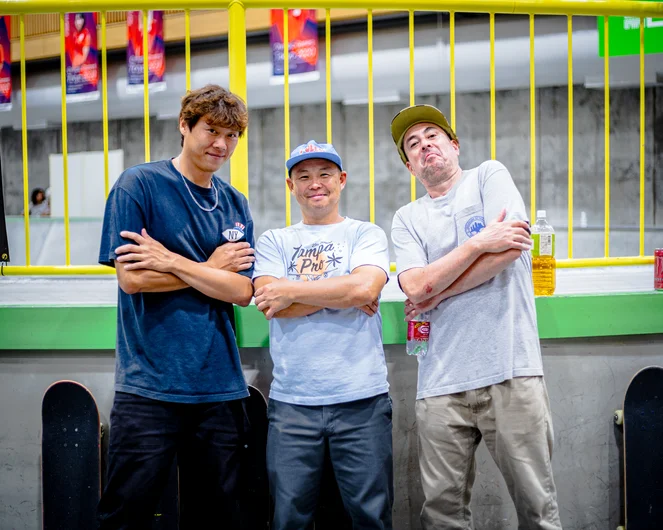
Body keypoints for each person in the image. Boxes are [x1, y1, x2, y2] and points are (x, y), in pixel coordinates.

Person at [389, 104, 562, 530]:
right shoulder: (407, 219)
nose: (424, 144)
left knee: (537, 509)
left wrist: (438, 289)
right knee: (443, 516)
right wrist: (477, 243)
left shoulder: (489, 175)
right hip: (440, 387)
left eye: (432, 135)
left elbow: (508, 250)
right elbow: (414, 287)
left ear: (454, 145)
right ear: (411, 166)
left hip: (510, 371)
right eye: (413, 144)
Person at [97, 84, 257, 529]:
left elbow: (241, 292)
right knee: (126, 513)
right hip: (149, 385)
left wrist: (170, 260)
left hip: (220, 387)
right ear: (185, 127)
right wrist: (208, 268)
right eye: (211, 130)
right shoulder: (139, 185)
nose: (221, 144)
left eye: (232, 136)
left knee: (218, 516)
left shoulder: (235, 203)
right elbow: (133, 279)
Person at [253, 140, 394, 530]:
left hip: (362, 401)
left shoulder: (366, 234)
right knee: (288, 519)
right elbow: (268, 301)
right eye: (304, 176)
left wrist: (292, 291)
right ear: (291, 185)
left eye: (325, 174)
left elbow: (364, 290)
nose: (315, 183)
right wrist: (342, 293)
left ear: (342, 180)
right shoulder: (273, 241)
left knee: (371, 517)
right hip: (292, 405)